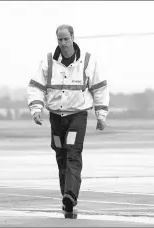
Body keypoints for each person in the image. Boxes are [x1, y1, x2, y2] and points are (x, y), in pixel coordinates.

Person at [27, 24, 109, 218]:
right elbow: (36, 87)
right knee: (61, 155)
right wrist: (36, 109)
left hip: (76, 117)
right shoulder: (48, 62)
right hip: (56, 118)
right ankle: (67, 198)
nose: (63, 43)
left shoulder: (88, 61)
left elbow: (100, 89)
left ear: (73, 37)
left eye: (66, 39)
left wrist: (101, 115)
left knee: (72, 153)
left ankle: (70, 196)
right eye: (60, 40)